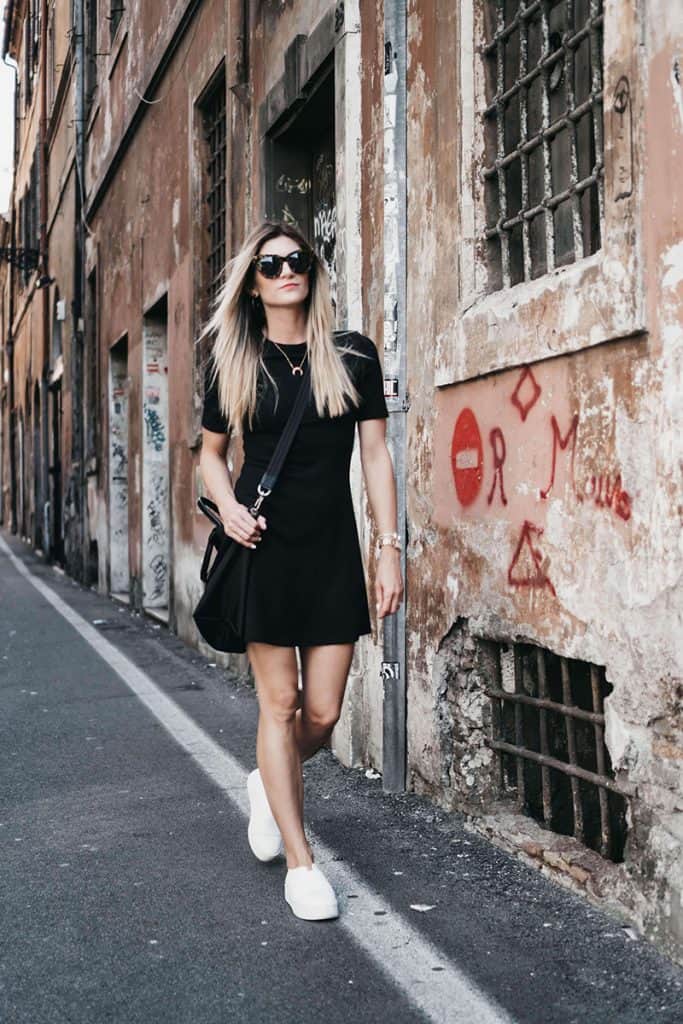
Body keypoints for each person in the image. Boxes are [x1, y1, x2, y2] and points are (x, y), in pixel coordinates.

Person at [198, 219, 403, 921]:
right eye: (270, 265)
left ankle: (268, 778)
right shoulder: (235, 361)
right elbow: (210, 455)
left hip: (330, 552)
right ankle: (300, 861)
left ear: (311, 271)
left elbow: (374, 454)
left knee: (322, 713)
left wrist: (388, 547)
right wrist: (226, 507)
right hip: (260, 549)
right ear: (253, 287)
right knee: (278, 705)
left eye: (296, 260)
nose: (286, 271)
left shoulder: (352, 357)